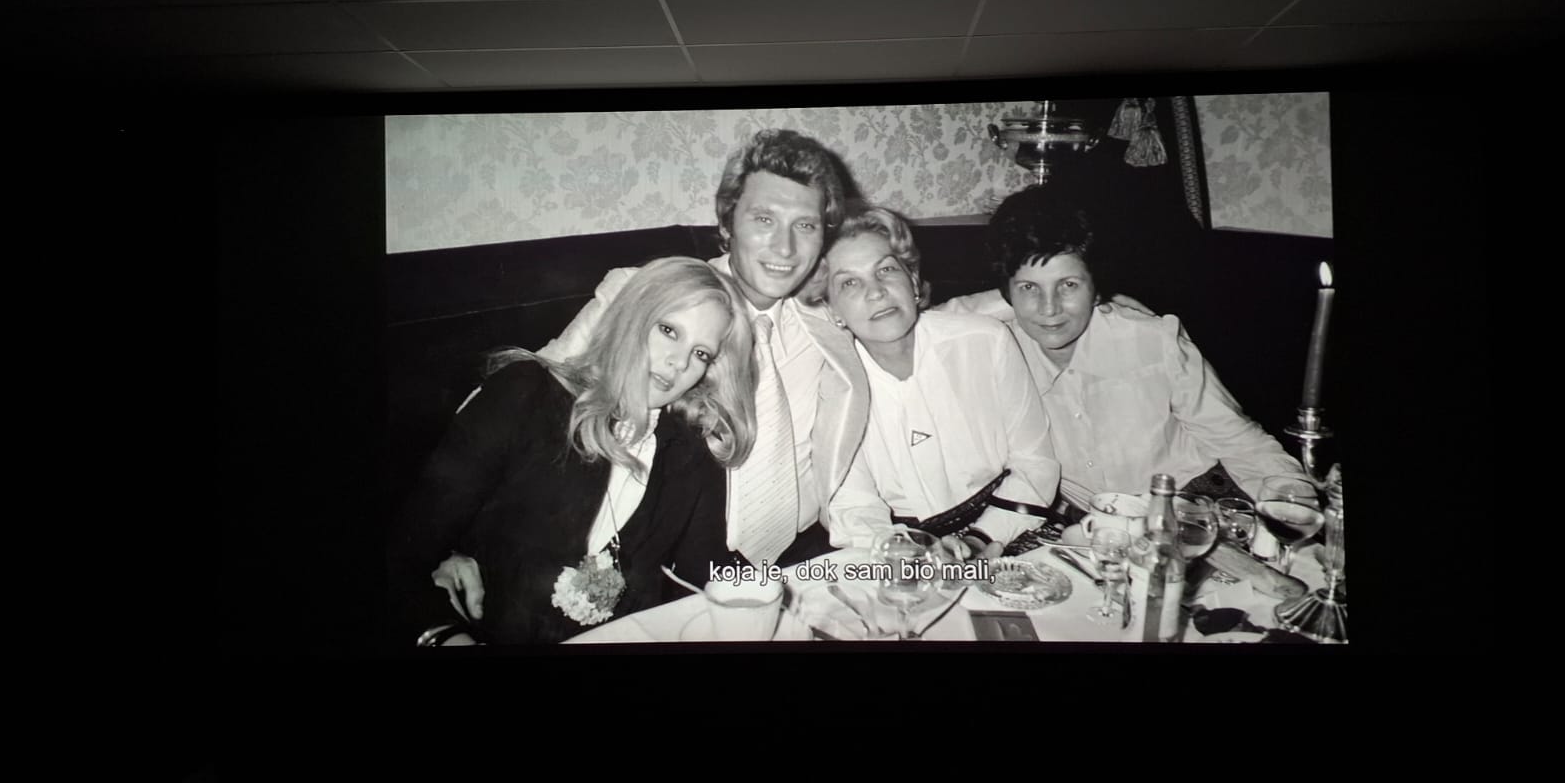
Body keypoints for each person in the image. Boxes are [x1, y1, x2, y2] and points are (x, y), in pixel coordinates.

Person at [538, 128, 868, 571]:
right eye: (764, 220)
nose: (785, 247)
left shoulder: (830, 324)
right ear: (727, 224)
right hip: (663, 570)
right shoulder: (645, 296)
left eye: (804, 226)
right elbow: (522, 400)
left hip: (802, 557)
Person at [389, 257, 758, 646]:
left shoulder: (689, 446)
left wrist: (784, 589)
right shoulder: (526, 395)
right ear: (632, 317)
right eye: (668, 331)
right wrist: (444, 636)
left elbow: (709, 563)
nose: (679, 363)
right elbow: (403, 553)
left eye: (701, 353)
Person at [939, 189, 1303, 509]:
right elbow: (926, 325)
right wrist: (1009, 296)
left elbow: (1241, 444)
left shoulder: (1153, 340)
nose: (1049, 309)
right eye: (1029, 288)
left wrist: (1293, 501)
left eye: (1068, 285)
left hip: (1196, 502)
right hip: (1095, 528)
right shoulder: (999, 348)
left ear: (1096, 285)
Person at [820, 207, 1061, 556]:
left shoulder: (987, 342)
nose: (876, 292)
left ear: (913, 279)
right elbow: (853, 505)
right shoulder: (833, 387)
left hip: (1007, 529)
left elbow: (1035, 464)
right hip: (898, 550)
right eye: (849, 283)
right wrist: (905, 552)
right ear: (831, 310)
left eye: (886, 270)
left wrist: (979, 539)